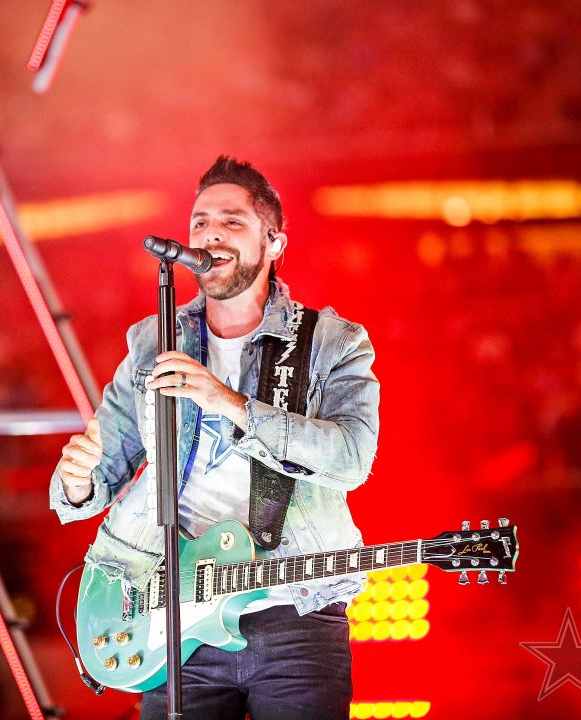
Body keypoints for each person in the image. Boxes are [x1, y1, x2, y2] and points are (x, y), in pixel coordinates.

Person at [49, 156, 380, 720]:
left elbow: (352, 458)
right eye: (200, 222)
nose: (209, 234)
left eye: (231, 221)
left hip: (293, 611)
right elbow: (97, 478)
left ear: (274, 243)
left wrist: (230, 404)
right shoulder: (154, 340)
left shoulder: (332, 342)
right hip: (176, 608)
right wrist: (77, 479)